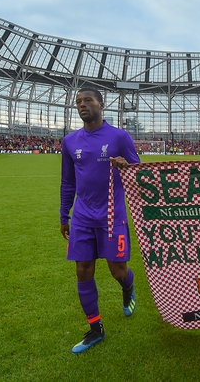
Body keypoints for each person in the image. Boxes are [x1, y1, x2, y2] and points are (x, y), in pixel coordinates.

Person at [60, 87, 141, 354]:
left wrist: (126, 167)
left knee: (117, 271)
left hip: (112, 217)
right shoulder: (70, 141)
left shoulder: (119, 137)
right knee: (83, 270)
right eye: (78, 102)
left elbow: (140, 177)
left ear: (101, 104)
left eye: (88, 100)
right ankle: (96, 330)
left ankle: (128, 287)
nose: (82, 105)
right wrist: (64, 215)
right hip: (82, 217)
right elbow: (68, 182)